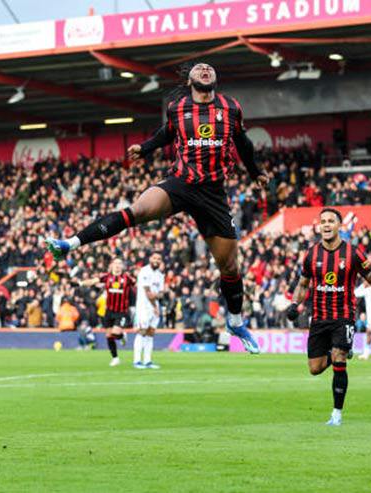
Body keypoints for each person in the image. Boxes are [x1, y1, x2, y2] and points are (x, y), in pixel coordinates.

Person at [46, 62, 268, 355]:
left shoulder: (230, 107)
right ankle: (69, 244)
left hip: (213, 193)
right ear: (190, 79)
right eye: (199, 68)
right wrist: (146, 147)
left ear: (215, 78)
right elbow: (168, 133)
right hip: (181, 183)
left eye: (209, 68)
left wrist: (255, 172)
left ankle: (236, 322)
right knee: (135, 210)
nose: (205, 69)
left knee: (229, 267)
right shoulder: (177, 108)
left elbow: (243, 142)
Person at [286, 208, 371, 426]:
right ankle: (340, 351)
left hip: (343, 316)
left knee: (339, 358)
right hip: (319, 317)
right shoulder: (311, 254)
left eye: (331, 221)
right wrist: (295, 304)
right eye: (322, 221)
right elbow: (303, 284)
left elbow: (369, 275)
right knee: (314, 368)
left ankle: (336, 414)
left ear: (339, 226)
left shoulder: (353, 253)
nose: (326, 225)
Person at [80, 258, 135, 366]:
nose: (117, 265)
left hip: (122, 311)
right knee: (109, 335)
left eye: (120, 263)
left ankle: (122, 335)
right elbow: (93, 281)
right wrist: (81, 282)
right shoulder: (106, 277)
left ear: (122, 266)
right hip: (109, 311)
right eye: (115, 263)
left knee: (115, 333)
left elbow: (137, 284)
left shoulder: (127, 278)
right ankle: (115, 358)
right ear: (112, 265)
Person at [133, 252, 165, 369]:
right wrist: (156, 305)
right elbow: (148, 293)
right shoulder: (144, 271)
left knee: (151, 333)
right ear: (150, 259)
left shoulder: (160, 275)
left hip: (154, 307)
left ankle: (147, 361)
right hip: (143, 307)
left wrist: (156, 298)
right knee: (142, 331)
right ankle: (137, 360)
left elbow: (161, 293)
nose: (156, 260)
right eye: (154, 258)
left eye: (159, 258)